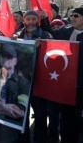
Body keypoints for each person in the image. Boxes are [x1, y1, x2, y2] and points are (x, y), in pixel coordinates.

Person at [49, 5, 83, 143]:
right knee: (68, 118)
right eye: (71, 15)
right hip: (68, 83)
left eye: (76, 16)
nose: (72, 18)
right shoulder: (65, 31)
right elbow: (49, 37)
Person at [15, 10, 53, 143]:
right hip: (21, 81)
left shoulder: (46, 35)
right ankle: (22, 139)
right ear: (24, 21)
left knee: (40, 114)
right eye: (28, 19)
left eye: (33, 19)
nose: (30, 22)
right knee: (21, 113)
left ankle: (40, 139)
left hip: (39, 82)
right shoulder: (16, 36)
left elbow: (52, 58)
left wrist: (39, 48)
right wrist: (12, 43)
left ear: (38, 20)